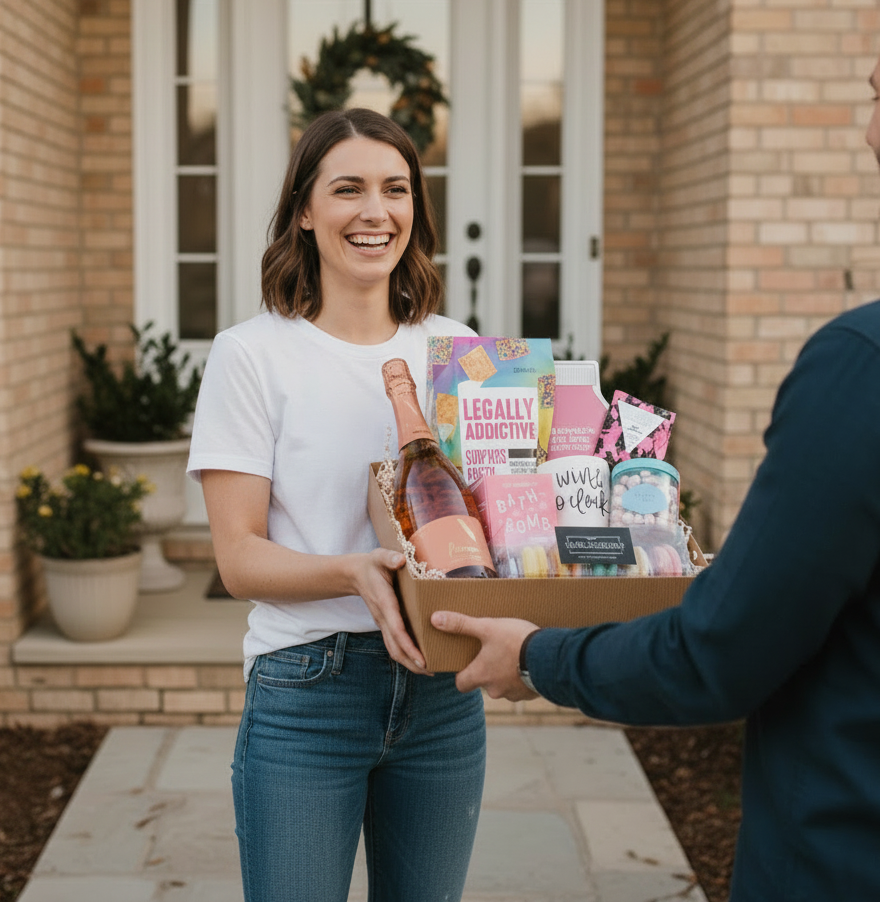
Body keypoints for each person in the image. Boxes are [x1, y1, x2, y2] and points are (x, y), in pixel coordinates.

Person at [430, 57, 880, 901]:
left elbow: (719, 653)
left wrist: (537, 654)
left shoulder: (861, 369)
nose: (866, 132)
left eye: (877, 96)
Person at [188, 108, 486, 902]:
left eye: (396, 189)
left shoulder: (457, 350)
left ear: (415, 210)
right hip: (306, 690)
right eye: (346, 188)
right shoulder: (252, 355)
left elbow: (489, 519)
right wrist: (354, 572)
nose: (374, 212)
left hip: (441, 694)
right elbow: (239, 556)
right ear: (303, 211)